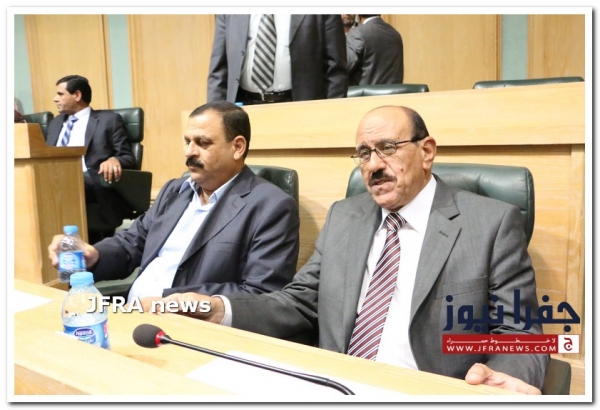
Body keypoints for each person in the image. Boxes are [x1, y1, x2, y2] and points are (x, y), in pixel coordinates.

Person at [154, 105, 549, 394]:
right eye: (363, 153)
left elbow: (520, 333)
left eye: (387, 148)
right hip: (333, 385)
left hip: (428, 391)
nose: (373, 165)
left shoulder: (491, 223)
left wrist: (505, 379)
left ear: (427, 151)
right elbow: (300, 302)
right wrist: (219, 309)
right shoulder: (346, 216)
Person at [48, 101, 300, 302]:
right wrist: (93, 254)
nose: (189, 152)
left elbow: (260, 294)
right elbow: (131, 242)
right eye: (187, 142)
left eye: (202, 143)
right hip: (131, 316)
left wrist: (167, 302)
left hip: (192, 328)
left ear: (237, 147)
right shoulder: (174, 190)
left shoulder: (271, 206)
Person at [45, 75, 136, 244]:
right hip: (54, 179)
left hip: (91, 181)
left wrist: (114, 160)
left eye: (60, 94)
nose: (55, 99)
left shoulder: (108, 120)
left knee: (70, 183)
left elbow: (128, 157)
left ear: (77, 95)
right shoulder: (55, 123)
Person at [207, 14, 348, 105]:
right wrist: (213, 115)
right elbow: (219, 70)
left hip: (300, 106)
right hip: (244, 107)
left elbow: (335, 68)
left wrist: (331, 113)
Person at [346, 15, 404, 86]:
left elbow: (345, 66)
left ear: (359, 16)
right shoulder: (395, 34)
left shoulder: (357, 33)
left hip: (364, 92)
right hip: (394, 92)